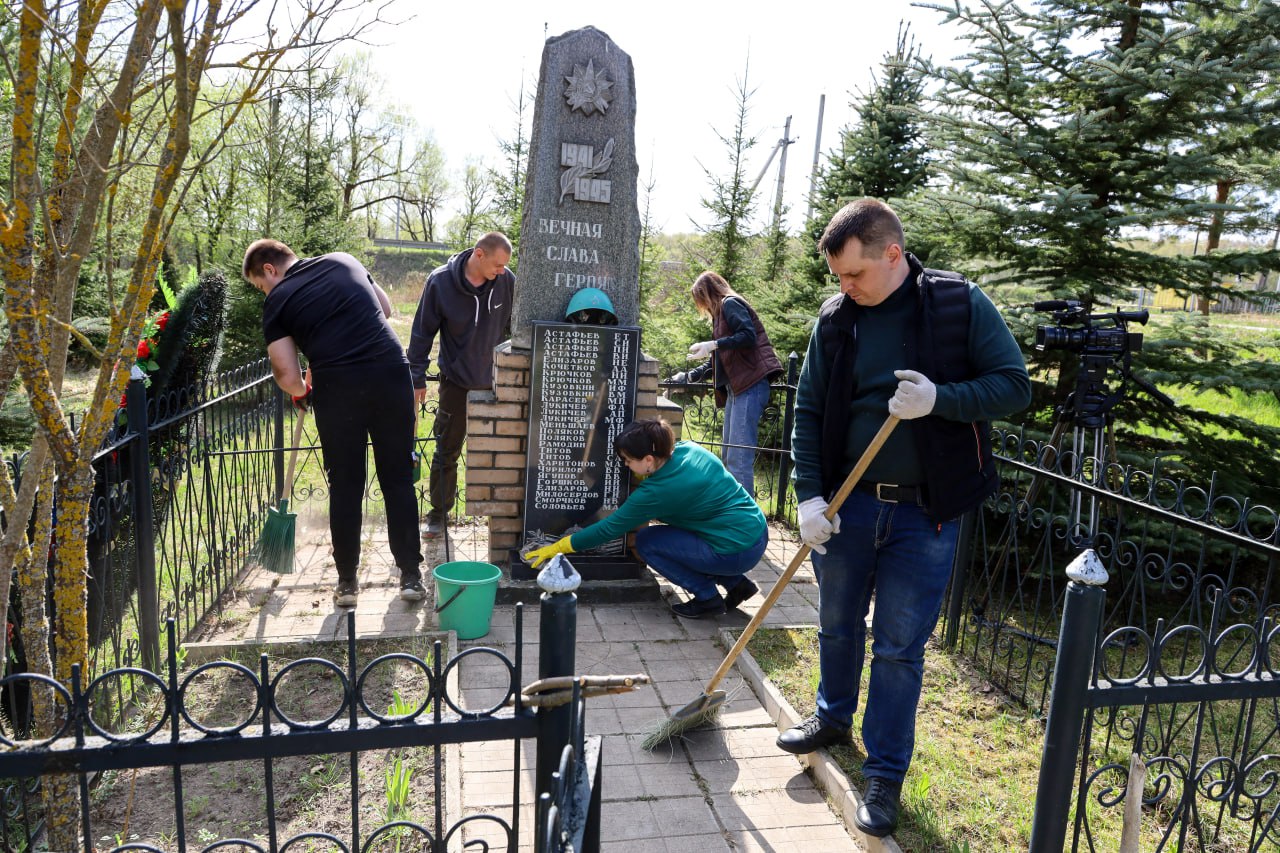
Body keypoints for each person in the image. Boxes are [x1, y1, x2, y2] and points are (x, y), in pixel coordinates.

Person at [779, 198, 1030, 838]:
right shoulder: (836, 321)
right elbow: (808, 412)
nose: (845, 287)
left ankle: (884, 774)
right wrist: (810, 497)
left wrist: (940, 400)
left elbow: (1013, 386)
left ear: (892, 254)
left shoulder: (957, 306)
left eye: (854, 274)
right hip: (850, 505)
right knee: (836, 623)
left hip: (927, 515)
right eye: (838, 277)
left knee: (897, 648)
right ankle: (831, 716)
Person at [243, 240, 424, 608]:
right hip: (391, 374)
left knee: (346, 484)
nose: (265, 292)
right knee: (398, 478)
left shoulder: (278, 300)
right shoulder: (344, 260)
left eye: (260, 286)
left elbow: (285, 371)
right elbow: (385, 309)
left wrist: (299, 390)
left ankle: (346, 584)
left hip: (339, 388)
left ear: (269, 270)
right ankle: (410, 577)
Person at [523, 418, 765, 617]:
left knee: (648, 542)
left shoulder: (655, 493)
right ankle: (738, 585)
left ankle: (707, 599)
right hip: (756, 532)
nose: (626, 465)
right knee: (686, 538)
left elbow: (608, 529)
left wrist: (559, 546)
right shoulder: (690, 449)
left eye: (628, 460)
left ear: (649, 460)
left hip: (734, 550)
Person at [406, 232, 515, 538]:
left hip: (499, 382)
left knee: (502, 452)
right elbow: (421, 333)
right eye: (497, 264)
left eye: (505, 265)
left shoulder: (507, 282)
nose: (502, 271)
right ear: (479, 255)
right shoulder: (440, 283)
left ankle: (502, 519)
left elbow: (515, 328)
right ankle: (439, 514)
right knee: (447, 450)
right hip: (456, 383)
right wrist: (416, 376)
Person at [672, 271, 783, 497]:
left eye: (701, 300)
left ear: (708, 293)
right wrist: (689, 377)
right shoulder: (720, 315)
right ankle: (734, 514)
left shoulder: (730, 304)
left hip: (750, 385)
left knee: (738, 458)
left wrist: (713, 344)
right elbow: (721, 360)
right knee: (729, 455)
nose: (702, 306)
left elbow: (747, 336)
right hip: (738, 388)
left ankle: (747, 525)